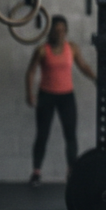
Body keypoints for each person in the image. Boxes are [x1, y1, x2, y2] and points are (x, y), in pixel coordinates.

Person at [24, 15, 95, 187]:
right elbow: (31, 71)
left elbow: (83, 66)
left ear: (66, 31)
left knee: (70, 136)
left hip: (66, 96)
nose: (60, 33)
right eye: (56, 30)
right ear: (50, 31)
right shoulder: (42, 50)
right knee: (42, 135)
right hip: (46, 96)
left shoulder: (72, 48)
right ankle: (36, 173)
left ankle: (71, 172)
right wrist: (29, 94)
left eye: (63, 30)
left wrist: (96, 78)